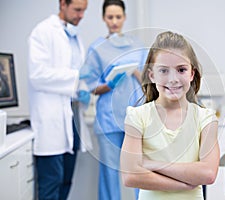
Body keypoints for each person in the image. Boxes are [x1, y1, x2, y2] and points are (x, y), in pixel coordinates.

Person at [120, 31, 220, 200]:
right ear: (152, 75)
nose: (173, 79)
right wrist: (183, 184)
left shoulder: (206, 119)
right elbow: (131, 176)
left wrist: (152, 164)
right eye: (164, 71)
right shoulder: (137, 116)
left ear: (192, 74)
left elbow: (208, 174)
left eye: (181, 70)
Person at [79, 0, 146, 199]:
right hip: (108, 120)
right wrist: (109, 85)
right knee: (110, 173)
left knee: (139, 172)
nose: (114, 21)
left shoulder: (137, 46)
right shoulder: (97, 48)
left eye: (118, 17)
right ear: (103, 18)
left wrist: (134, 71)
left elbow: (149, 81)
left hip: (135, 117)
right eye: (110, 17)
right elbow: (90, 86)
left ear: (124, 17)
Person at [27, 0, 90, 199]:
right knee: (51, 183)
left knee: (66, 180)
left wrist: (83, 86)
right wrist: (75, 79)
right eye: (77, 10)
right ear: (63, 4)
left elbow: (80, 73)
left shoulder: (74, 37)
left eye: (84, 11)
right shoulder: (43, 32)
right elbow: (37, 75)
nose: (81, 15)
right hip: (51, 120)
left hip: (72, 117)